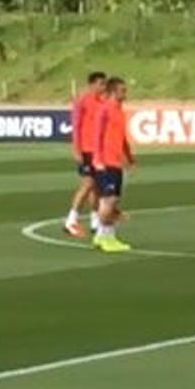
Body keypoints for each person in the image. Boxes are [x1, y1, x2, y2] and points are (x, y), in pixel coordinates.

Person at [92, 76, 136, 253]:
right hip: (106, 162)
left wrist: (129, 157)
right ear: (112, 92)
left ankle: (104, 236)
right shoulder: (105, 110)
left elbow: (122, 137)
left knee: (113, 199)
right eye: (122, 90)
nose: (125, 93)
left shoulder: (120, 111)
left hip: (116, 162)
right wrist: (98, 159)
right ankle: (106, 236)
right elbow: (98, 135)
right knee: (108, 200)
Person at [64, 71, 106, 238]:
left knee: (96, 187)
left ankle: (94, 220)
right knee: (88, 184)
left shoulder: (103, 101)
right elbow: (76, 125)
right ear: (92, 84)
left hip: (98, 150)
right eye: (101, 84)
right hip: (86, 149)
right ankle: (71, 219)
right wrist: (76, 148)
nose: (103, 87)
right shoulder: (82, 100)